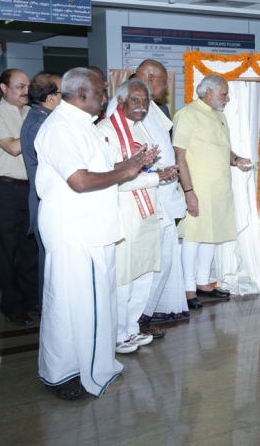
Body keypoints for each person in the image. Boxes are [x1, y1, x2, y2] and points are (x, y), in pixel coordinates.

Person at [35, 67, 159, 400]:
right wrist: (127, 170)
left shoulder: (84, 125)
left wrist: (131, 164)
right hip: (77, 231)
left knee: (93, 306)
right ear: (81, 94)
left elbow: (101, 171)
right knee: (72, 308)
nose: (106, 98)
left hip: (94, 230)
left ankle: (93, 364)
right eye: (101, 92)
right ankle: (64, 374)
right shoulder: (61, 128)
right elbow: (79, 181)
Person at [98, 80, 178, 353]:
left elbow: (141, 171)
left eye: (145, 101)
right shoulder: (106, 131)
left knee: (143, 272)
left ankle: (131, 328)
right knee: (125, 276)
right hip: (125, 214)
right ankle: (118, 333)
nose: (142, 106)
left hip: (146, 212)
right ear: (120, 101)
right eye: (135, 100)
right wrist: (156, 177)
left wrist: (158, 173)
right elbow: (115, 178)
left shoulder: (140, 129)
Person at [173, 74, 253, 310]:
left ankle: (203, 282)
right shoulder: (187, 114)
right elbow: (179, 155)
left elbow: (222, 149)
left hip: (219, 188)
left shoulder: (219, 116)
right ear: (209, 93)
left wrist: (236, 160)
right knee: (194, 236)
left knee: (211, 234)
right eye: (224, 94)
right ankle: (188, 288)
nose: (227, 99)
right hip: (197, 188)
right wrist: (189, 191)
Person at [126, 60, 190, 325]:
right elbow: (133, 155)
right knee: (151, 264)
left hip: (163, 193)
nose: (166, 88)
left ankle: (144, 316)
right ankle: (136, 321)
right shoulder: (130, 108)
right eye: (164, 82)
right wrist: (156, 176)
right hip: (149, 197)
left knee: (164, 261)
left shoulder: (153, 108)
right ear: (150, 78)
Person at [0, 68, 40, 326]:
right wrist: (42, 129)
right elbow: (13, 147)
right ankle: (12, 305)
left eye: (28, 86)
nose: (26, 91)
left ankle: (31, 299)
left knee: (30, 247)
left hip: (31, 189)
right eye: (19, 86)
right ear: (4, 88)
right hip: (4, 189)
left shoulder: (32, 113)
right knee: (5, 249)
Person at [19, 72, 62, 307]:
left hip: (53, 200)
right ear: (51, 97)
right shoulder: (40, 124)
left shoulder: (45, 118)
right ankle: (50, 313)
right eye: (63, 92)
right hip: (47, 202)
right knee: (50, 265)